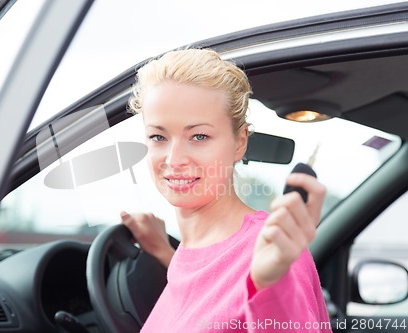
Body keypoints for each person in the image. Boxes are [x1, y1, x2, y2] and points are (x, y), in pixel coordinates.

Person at [121, 48, 331, 332]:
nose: (174, 160)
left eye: (199, 136)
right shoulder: (187, 253)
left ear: (240, 142)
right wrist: (162, 251)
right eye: (158, 136)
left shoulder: (272, 250)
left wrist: (271, 285)